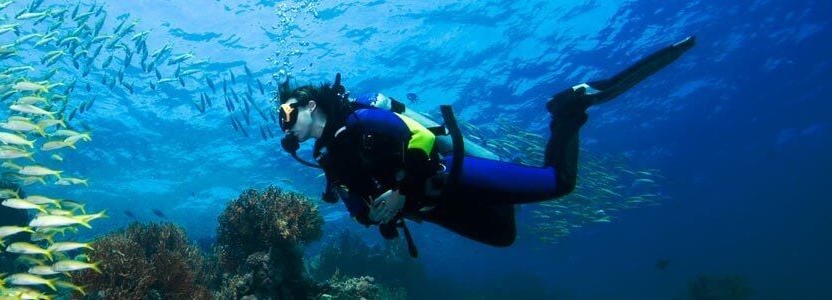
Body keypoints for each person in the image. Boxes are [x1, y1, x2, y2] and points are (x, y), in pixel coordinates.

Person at [277, 36, 695, 249]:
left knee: (559, 182)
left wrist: (401, 190)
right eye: (280, 120)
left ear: (311, 104)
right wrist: (374, 214)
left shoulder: (359, 118)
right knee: (503, 237)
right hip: (435, 208)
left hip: (452, 176)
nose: (285, 124)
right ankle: (504, 181)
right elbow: (357, 208)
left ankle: (569, 109)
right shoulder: (328, 159)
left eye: (288, 112)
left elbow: (419, 135)